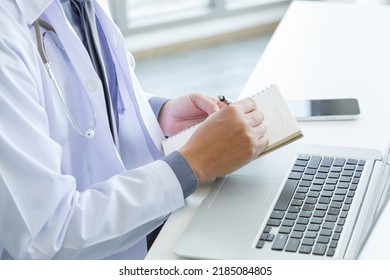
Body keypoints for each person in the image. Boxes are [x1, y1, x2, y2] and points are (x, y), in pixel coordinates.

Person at [0, 0, 268, 260]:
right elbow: (46, 238)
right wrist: (193, 164)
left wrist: (158, 113)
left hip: (139, 229)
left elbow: (86, 89)